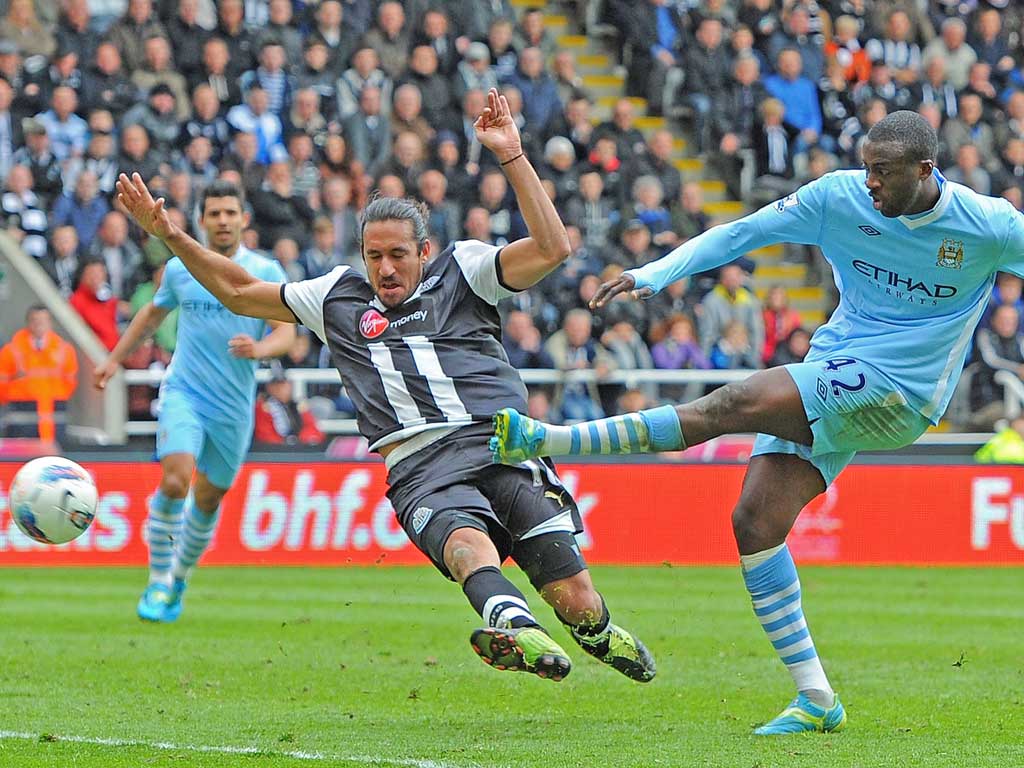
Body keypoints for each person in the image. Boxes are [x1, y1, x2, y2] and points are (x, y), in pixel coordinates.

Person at [490, 110, 1024, 731]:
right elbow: (740, 235)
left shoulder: (989, 226)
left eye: (883, 171)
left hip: (900, 393)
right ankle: (817, 698)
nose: (869, 181)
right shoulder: (839, 197)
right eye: (866, 167)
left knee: (732, 403)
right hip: (838, 365)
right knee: (755, 520)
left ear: (925, 171)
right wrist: (653, 274)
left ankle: (550, 441)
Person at [114, 88, 655, 684]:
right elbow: (239, 292)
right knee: (465, 546)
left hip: (504, 444)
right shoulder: (336, 296)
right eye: (375, 257)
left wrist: (512, 156)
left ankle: (594, 630)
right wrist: (168, 232)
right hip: (422, 465)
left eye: (399, 255)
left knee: (576, 599)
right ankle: (513, 626)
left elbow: (554, 249)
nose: (386, 269)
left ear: (424, 250)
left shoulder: (466, 270)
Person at [93, 180, 295, 624]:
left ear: (244, 218)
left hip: (234, 406)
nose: (223, 220)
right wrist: (113, 361)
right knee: (174, 481)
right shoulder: (181, 268)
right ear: (202, 220)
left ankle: (179, 578)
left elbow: (287, 329)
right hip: (184, 392)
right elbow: (152, 313)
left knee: (208, 498)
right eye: (214, 213)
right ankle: (158, 579)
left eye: (230, 212)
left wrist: (260, 350)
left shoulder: (265, 271)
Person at [0, 306, 78, 443]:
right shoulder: (12, 350)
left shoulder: (64, 349)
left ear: (50, 323)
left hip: (54, 415)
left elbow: (70, 381)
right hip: (22, 415)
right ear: (28, 323)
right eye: (35, 320)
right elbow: (2, 383)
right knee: (20, 458)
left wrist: (54, 394)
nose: (39, 325)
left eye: (43, 320)